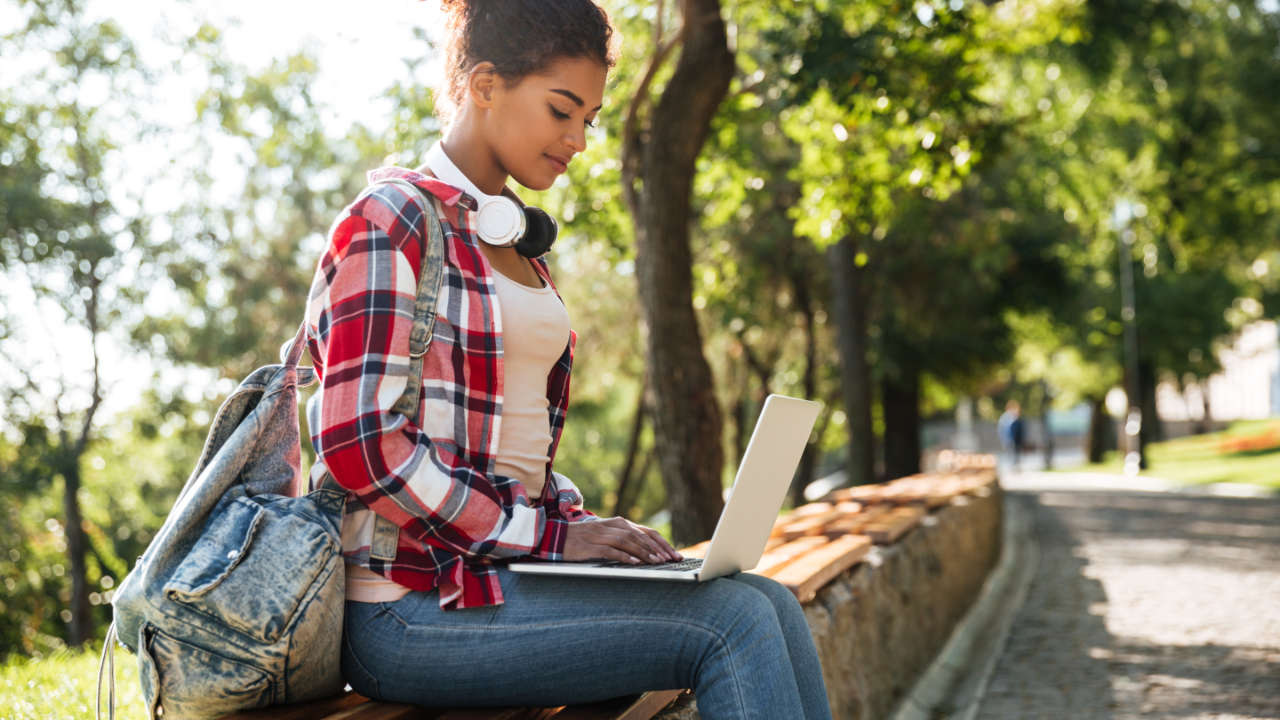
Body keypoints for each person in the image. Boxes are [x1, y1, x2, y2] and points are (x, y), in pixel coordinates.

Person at [300, 2, 833, 718]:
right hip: (407, 607)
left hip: (495, 580)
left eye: (591, 119)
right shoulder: (389, 220)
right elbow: (359, 443)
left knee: (767, 598)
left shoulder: (515, 239)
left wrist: (594, 533)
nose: (580, 139)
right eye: (563, 110)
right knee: (730, 623)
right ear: (484, 84)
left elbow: (503, 451)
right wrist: (554, 537)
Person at [997, 400, 1025, 470]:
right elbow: (1005, 430)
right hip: (1009, 439)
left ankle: (1015, 466)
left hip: (1014, 439)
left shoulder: (1014, 417)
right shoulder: (1007, 418)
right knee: (1011, 453)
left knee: (1014, 453)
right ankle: (1012, 467)